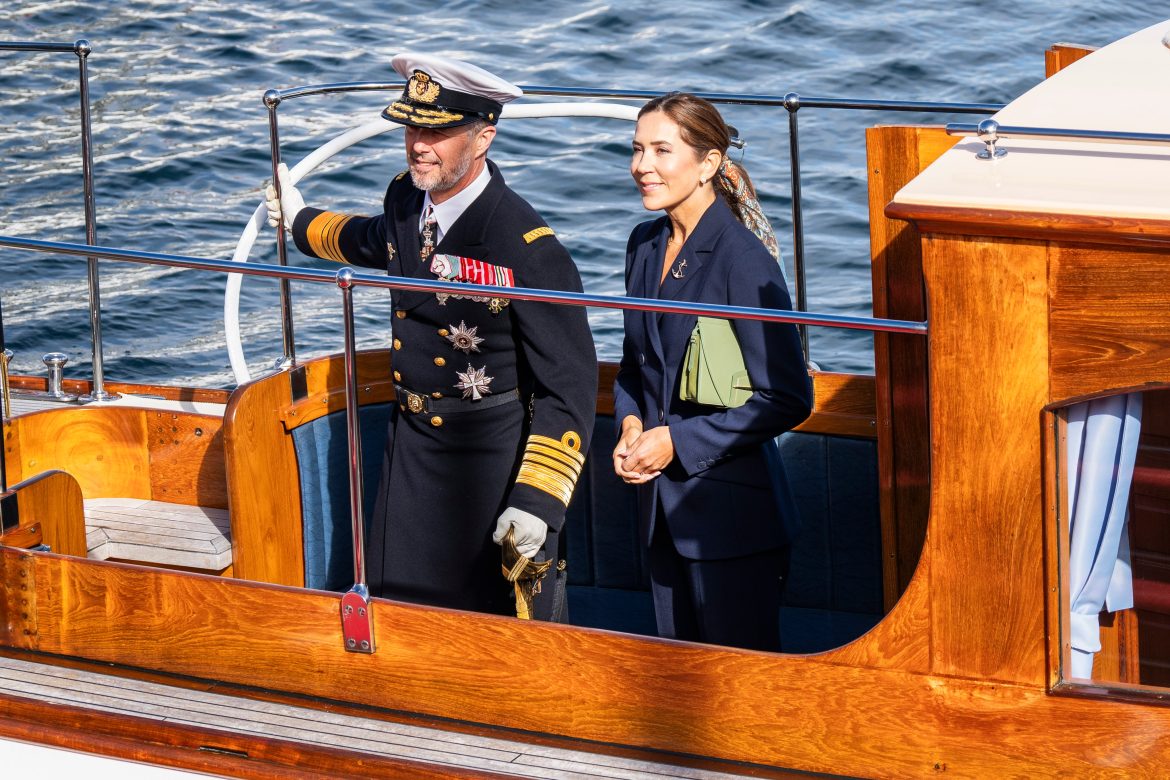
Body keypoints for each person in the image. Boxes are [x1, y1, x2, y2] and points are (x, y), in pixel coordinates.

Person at [265, 53, 597, 620]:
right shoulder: (405, 198)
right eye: (413, 126)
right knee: (400, 611)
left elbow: (569, 383)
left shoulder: (525, 245)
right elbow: (377, 242)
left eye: (438, 131)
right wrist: (301, 223)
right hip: (411, 445)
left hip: (488, 458)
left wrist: (537, 503)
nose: (419, 143)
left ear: (484, 135)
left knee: (492, 632)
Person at [612, 93, 812, 651]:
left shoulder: (743, 260)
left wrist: (677, 441)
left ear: (708, 163)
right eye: (636, 149)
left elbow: (788, 397)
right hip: (660, 513)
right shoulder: (644, 245)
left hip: (732, 524)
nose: (642, 166)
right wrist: (630, 425)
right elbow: (637, 363)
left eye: (660, 150)